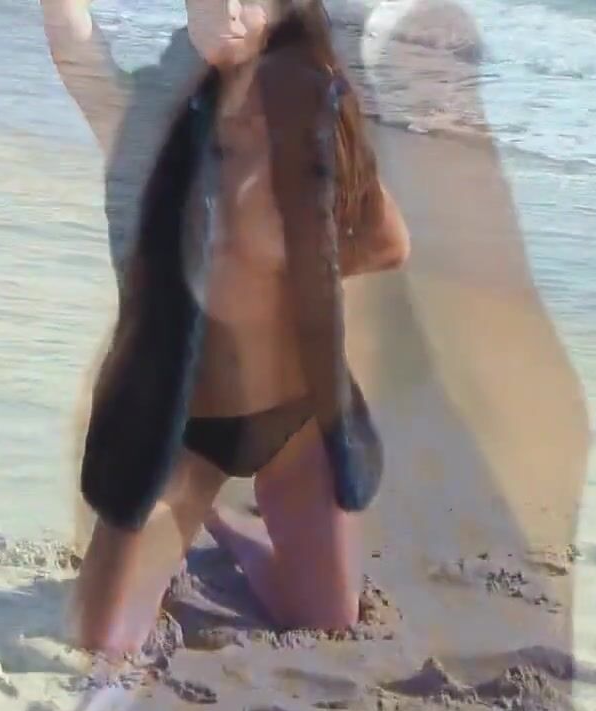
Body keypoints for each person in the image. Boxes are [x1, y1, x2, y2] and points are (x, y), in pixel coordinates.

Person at [41, 0, 410, 656]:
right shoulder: (150, 126)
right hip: (182, 432)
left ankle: (232, 529)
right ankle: (197, 512)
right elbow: (78, 53)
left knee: (327, 620)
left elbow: (388, 242)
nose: (232, 11)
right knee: (103, 641)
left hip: (295, 419)